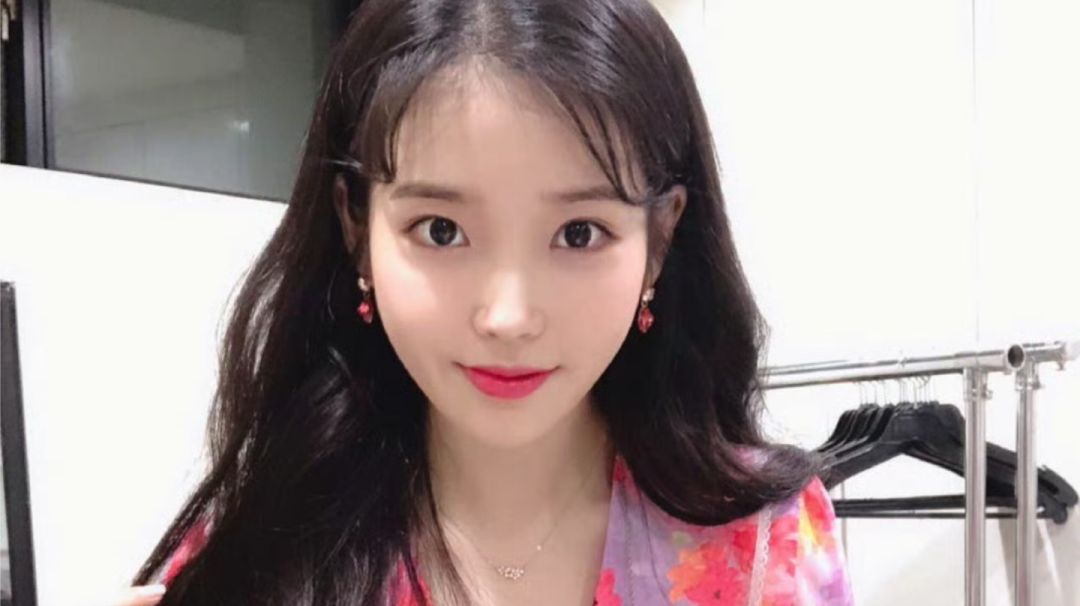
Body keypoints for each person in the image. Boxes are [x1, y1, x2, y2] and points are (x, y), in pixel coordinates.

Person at [120, 0, 853, 604]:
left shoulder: (765, 548)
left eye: (578, 233)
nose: (508, 317)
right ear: (356, 231)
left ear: (658, 242)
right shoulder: (263, 555)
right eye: (441, 230)